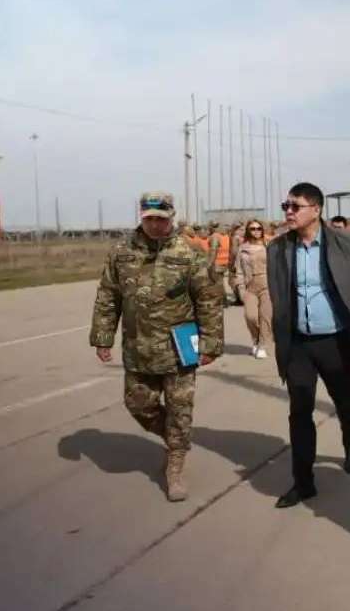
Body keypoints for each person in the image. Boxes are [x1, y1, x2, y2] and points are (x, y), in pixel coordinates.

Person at [89, 191, 224, 502]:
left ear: (171, 217)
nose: (154, 224)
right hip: (138, 346)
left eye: (160, 219)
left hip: (179, 347)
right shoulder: (122, 252)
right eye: (149, 219)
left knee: (180, 408)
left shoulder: (188, 252)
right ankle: (177, 439)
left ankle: (175, 465)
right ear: (141, 216)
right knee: (138, 404)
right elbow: (108, 295)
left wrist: (210, 343)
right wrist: (103, 337)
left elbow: (208, 299)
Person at [267, 183, 350, 508]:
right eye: (286, 206)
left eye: (296, 206)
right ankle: (303, 483)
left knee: (344, 397)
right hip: (298, 343)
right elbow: (278, 293)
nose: (289, 212)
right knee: (299, 410)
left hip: (334, 340)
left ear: (316, 210)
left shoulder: (343, 242)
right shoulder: (278, 248)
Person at [234, 219, 273, 359]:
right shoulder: (242, 248)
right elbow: (238, 270)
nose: (256, 231)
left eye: (258, 228)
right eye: (253, 229)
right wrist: (240, 288)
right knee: (250, 316)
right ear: (248, 231)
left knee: (265, 317)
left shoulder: (269, 245)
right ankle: (256, 339)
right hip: (250, 285)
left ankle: (262, 344)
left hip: (267, 285)